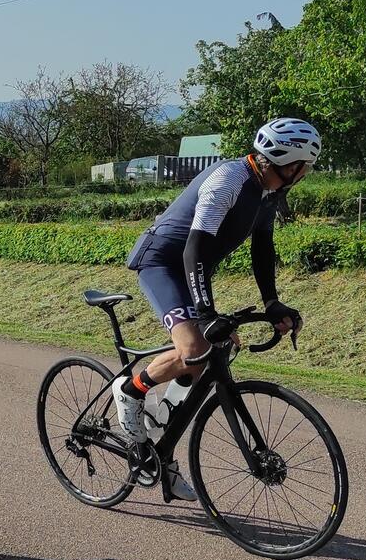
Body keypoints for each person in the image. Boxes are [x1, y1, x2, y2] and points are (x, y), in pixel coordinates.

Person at [114, 118, 320, 498]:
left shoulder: (268, 192)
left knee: (215, 350)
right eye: (304, 166)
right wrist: (207, 313)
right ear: (288, 164)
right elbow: (194, 247)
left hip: (191, 269)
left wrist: (271, 303)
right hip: (162, 262)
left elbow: (262, 248)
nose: (306, 173)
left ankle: (161, 444)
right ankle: (131, 390)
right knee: (194, 348)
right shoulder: (229, 179)